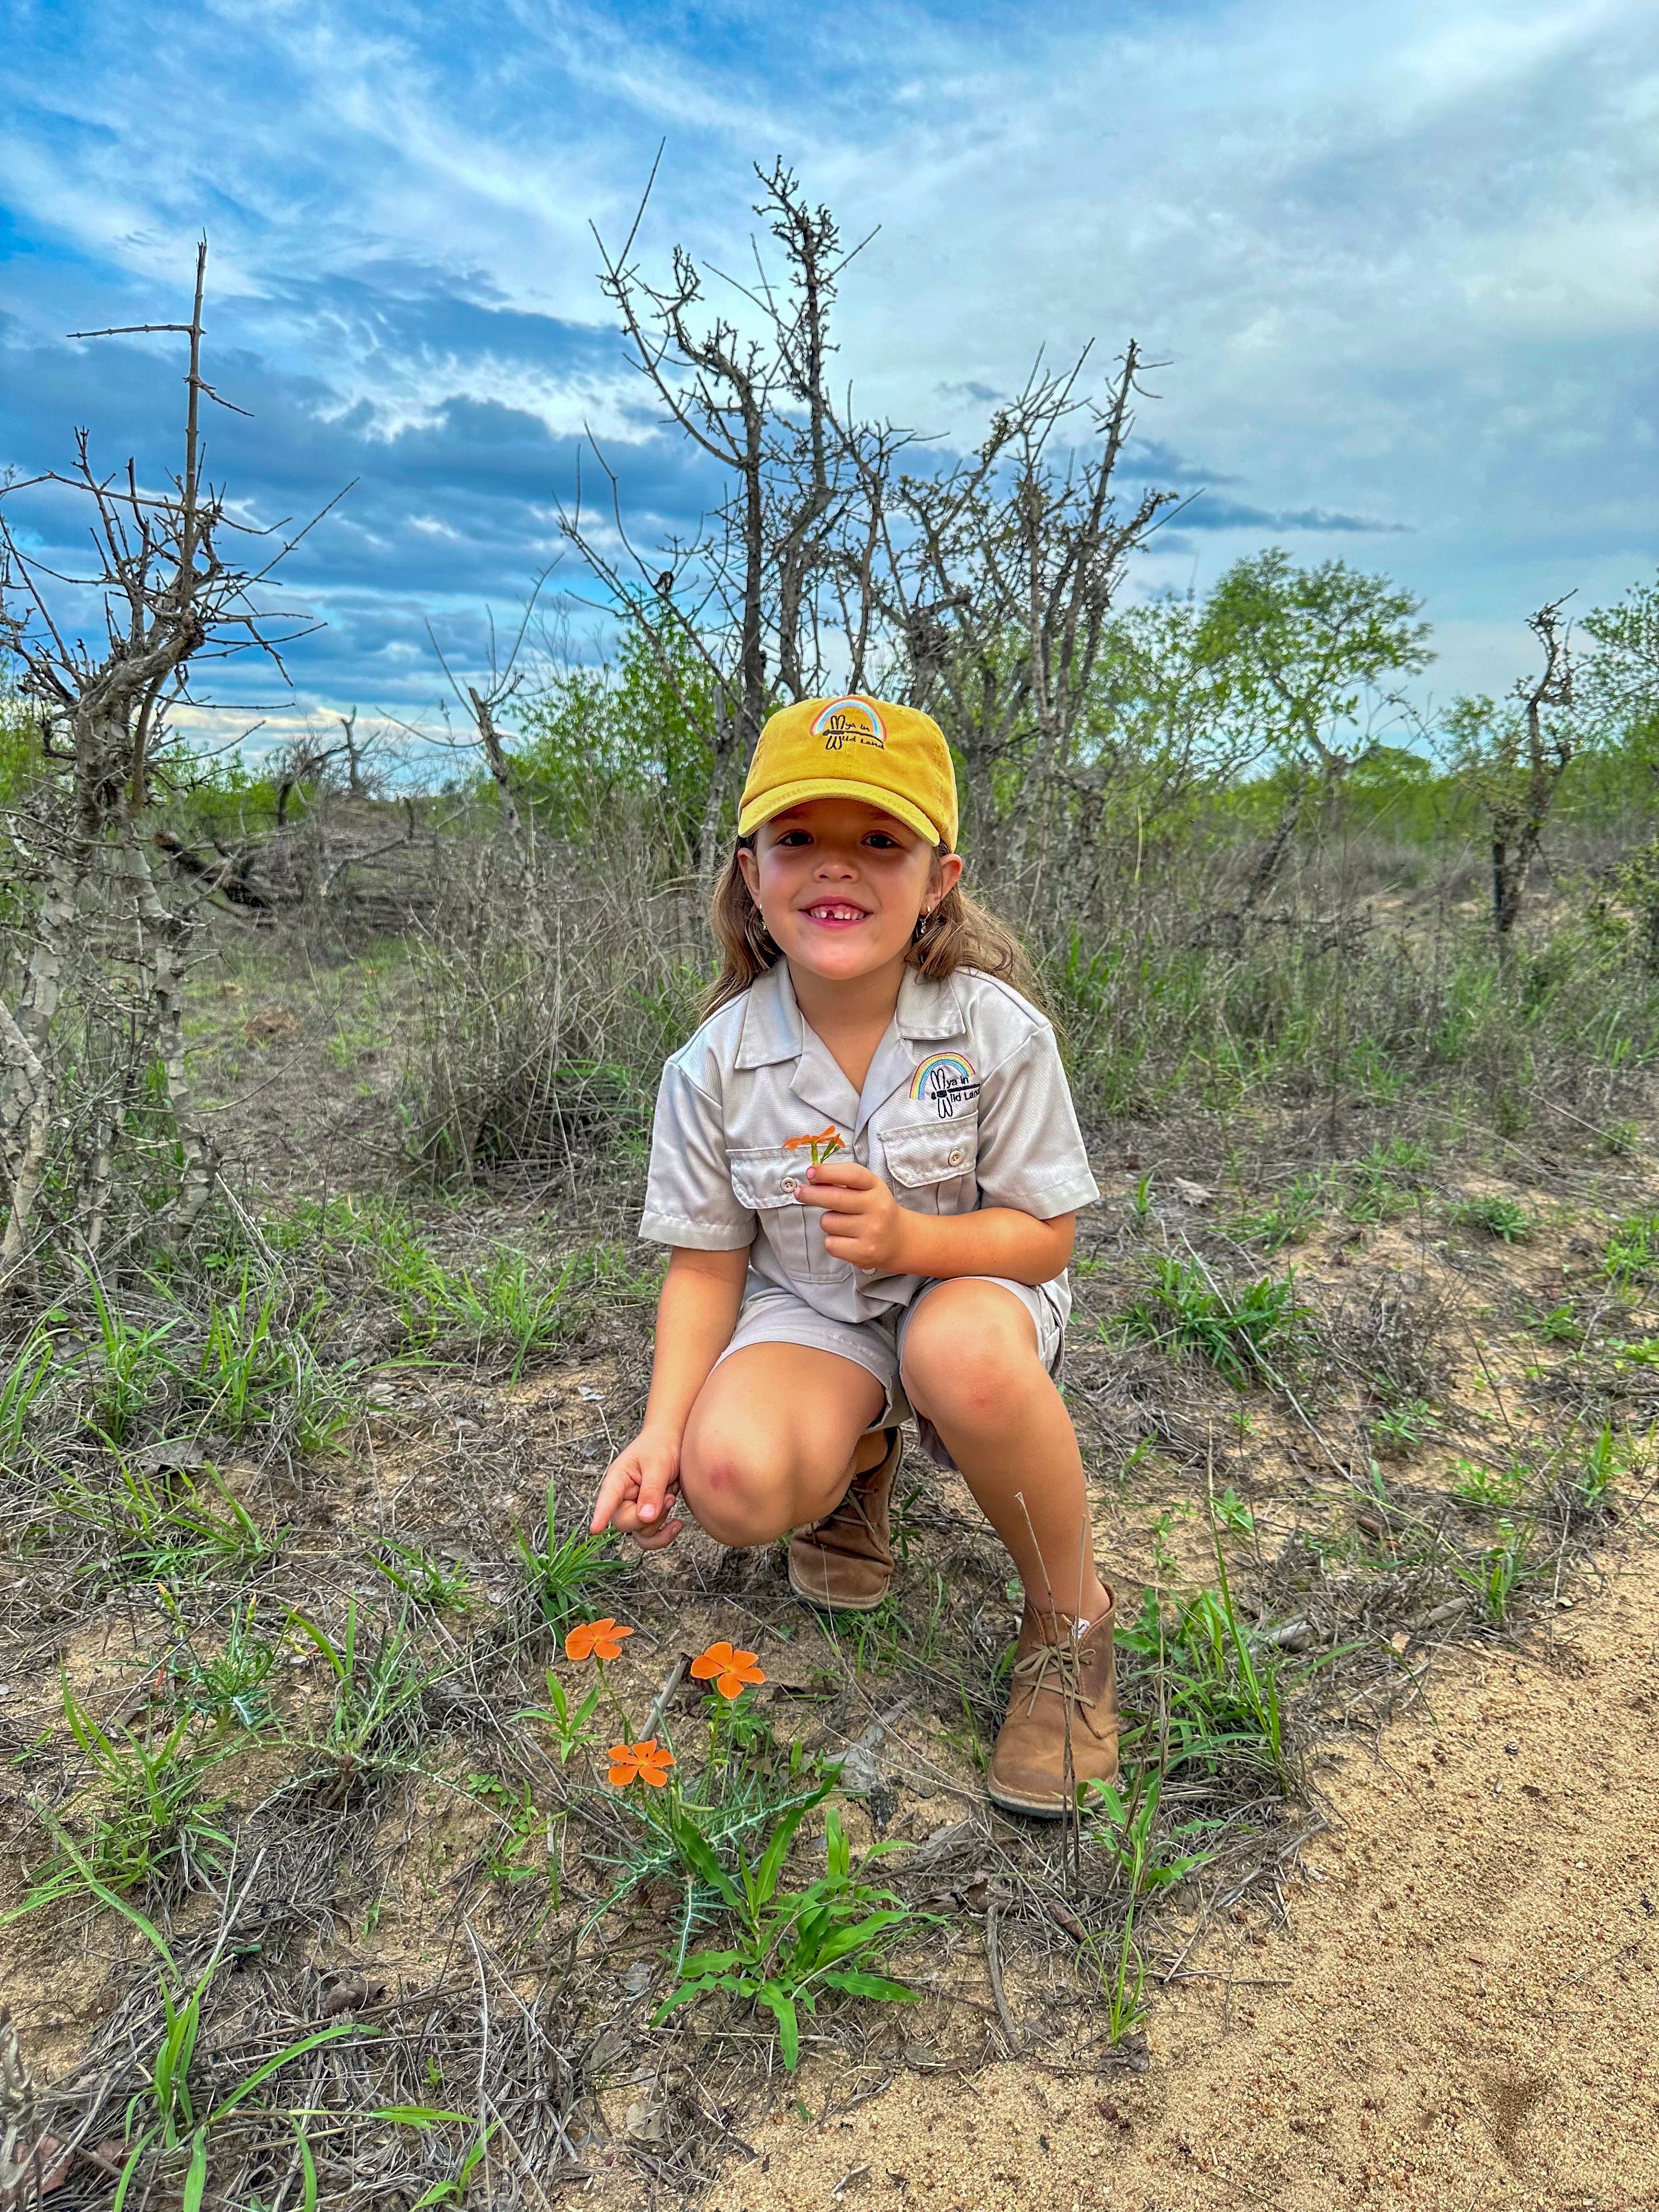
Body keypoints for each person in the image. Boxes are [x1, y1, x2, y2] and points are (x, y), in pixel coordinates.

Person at [588, 693, 1116, 1814]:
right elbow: (707, 1266)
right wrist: (661, 1431)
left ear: (939, 878)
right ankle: (853, 1471)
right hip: (815, 1317)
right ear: (750, 873)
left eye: (879, 841)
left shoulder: (995, 1031)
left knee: (957, 1348)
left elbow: (1047, 1236)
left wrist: (914, 1239)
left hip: (976, 1291)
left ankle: (1071, 1625)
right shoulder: (713, 1066)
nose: (838, 869)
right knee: (731, 1481)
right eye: (799, 840)